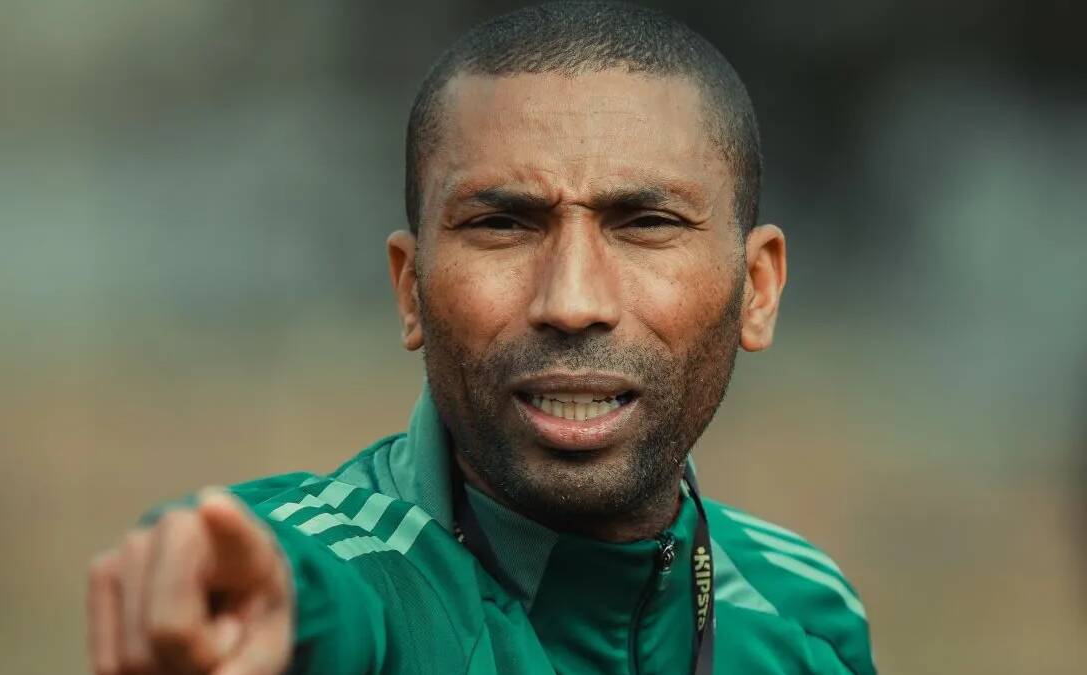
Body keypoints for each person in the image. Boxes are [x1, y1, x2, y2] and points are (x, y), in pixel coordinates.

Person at [85, 2, 876, 673]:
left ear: (758, 289)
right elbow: (301, 585)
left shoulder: (805, 608)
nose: (572, 301)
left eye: (645, 223)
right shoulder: (339, 575)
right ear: (411, 290)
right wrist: (247, 597)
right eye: (502, 224)